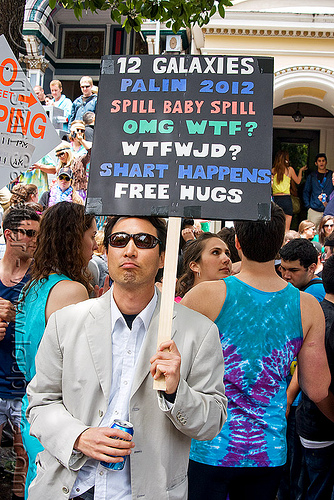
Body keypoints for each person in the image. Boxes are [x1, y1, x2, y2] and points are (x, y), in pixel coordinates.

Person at [26, 215, 227, 499]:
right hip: (71, 488)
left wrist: (175, 392)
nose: (130, 250)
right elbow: (40, 403)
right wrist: (79, 437)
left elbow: (211, 422)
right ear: (105, 252)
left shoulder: (199, 331)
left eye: (144, 241)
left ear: (162, 258)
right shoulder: (66, 322)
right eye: (119, 240)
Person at [182, 202, 330, 500]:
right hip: (268, 450)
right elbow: (317, 388)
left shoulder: (204, 295)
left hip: (209, 446)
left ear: (236, 243)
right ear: (279, 245)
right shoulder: (307, 306)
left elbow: (174, 369)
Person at [15, 202, 97, 498]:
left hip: (33, 405)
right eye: (91, 236)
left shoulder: (34, 285)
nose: (95, 244)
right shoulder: (72, 290)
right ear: (74, 239)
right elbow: (81, 366)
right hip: (60, 412)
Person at [0, 205, 40, 499]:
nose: (34, 241)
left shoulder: (41, 279)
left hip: (27, 388)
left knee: (24, 458)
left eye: (37, 235)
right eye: (27, 233)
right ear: (8, 235)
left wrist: (18, 314)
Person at [295, 255, 334, 500]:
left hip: (307, 421)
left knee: (304, 485)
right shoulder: (328, 320)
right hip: (321, 427)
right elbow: (319, 389)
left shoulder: (316, 312)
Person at [176, 232, 232, 299]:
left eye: (227, 254)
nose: (227, 259)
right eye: (215, 252)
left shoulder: (235, 301)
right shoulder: (174, 306)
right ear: (195, 266)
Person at [279, 238, 325, 302]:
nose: (286, 276)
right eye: (283, 269)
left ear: (311, 269)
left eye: (293, 270)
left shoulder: (314, 293)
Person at [272, 150, 307, 230]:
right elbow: (298, 181)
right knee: (286, 229)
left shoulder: (273, 171)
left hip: (276, 199)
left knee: (276, 227)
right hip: (286, 199)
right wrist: (301, 170)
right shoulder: (289, 170)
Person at [303, 153, 333, 227]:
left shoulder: (331, 175)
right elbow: (306, 191)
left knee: (328, 233)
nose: (321, 163)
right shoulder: (312, 176)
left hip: (328, 210)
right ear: (316, 163)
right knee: (312, 232)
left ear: (326, 162)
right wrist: (308, 206)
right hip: (314, 210)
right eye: (319, 161)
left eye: (323, 161)